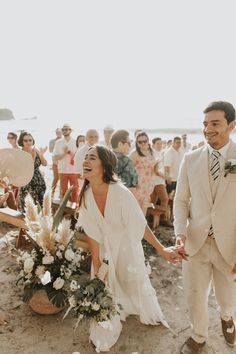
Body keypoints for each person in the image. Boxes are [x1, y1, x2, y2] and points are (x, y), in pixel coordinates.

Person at [77, 145, 183, 352]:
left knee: (131, 279)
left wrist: (162, 250)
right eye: (85, 158)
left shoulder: (120, 193)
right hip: (104, 247)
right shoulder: (86, 193)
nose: (85, 162)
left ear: (105, 166)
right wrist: (97, 263)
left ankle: (134, 307)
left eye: (92, 158)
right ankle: (106, 321)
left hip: (126, 246)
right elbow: (91, 232)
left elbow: (140, 225)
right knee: (103, 284)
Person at [174, 101, 236, 353]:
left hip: (230, 244)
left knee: (226, 295)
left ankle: (227, 316)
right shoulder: (190, 159)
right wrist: (179, 233)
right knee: (195, 294)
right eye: (204, 124)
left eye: (215, 124)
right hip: (195, 241)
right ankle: (198, 336)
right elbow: (180, 199)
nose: (208, 129)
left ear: (231, 125)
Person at [18, 132, 47, 211]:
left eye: (30, 140)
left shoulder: (36, 150)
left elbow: (45, 163)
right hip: (27, 181)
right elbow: (27, 168)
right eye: (25, 140)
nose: (28, 142)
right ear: (22, 141)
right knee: (28, 207)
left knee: (40, 205)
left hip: (39, 181)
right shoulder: (20, 153)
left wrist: (41, 154)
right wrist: (33, 158)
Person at [130, 131, 156, 215]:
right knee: (135, 209)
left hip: (148, 184)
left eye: (145, 141)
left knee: (144, 208)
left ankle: (141, 227)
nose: (143, 143)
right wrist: (133, 184)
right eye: (140, 142)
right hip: (138, 184)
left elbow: (154, 168)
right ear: (136, 143)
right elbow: (129, 170)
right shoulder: (134, 154)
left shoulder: (152, 152)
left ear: (148, 140)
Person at [53, 124, 78, 203]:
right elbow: (54, 157)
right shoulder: (58, 142)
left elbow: (78, 157)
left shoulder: (75, 142)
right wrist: (64, 154)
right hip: (62, 170)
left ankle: (74, 209)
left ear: (70, 130)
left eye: (67, 129)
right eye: (63, 129)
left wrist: (69, 153)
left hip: (73, 170)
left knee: (75, 190)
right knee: (63, 191)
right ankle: (65, 209)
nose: (65, 131)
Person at [110, 129, 138, 195]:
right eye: (129, 143)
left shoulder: (104, 157)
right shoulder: (125, 160)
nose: (130, 146)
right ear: (120, 144)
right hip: (122, 195)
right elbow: (133, 184)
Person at [49, 128, 62, 198]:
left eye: (60, 132)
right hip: (55, 163)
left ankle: (61, 194)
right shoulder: (52, 141)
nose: (59, 133)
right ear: (55, 132)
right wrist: (57, 144)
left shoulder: (65, 141)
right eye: (57, 132)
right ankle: (52, 193)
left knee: (62, 180)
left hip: (63, 164)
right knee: (56, 178)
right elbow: (50, 150)